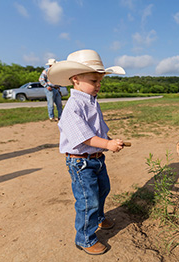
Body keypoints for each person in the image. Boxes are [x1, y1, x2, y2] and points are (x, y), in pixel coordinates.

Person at [47, 49, 126, 255]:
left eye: (100, 81)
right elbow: (83, 137)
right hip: (81, 163)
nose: (98, 85)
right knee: (87, 199)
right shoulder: (73, 107)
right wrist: (107, 145)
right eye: (94, 81)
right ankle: (84, 238)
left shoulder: (91, 101)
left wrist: (108, 140)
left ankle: (98, 218)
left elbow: (96, 130)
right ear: (76, 80)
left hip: (96, 159)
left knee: (102, 190)